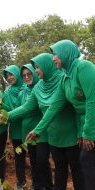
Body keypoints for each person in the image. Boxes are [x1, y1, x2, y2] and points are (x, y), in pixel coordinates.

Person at [27, 39, 93, 190]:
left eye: (55, 54)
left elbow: (92, 100)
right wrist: (38, 130)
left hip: (91, 125)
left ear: (65, 53)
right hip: (84, 126)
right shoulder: (65, 78)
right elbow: (54, 107)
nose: (53, 58)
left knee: (86, 165)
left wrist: (88, 132)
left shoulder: (84, 67)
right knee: (84, 165)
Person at [0, 65, 26, 190]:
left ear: (17, 74)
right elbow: (6, 110)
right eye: (7, 76)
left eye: (11, 74)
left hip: (28, 127)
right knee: (19, 158)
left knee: (37, 158)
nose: (9, 77)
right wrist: (0, 103)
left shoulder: (27, 88)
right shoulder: (8, 91)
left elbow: (27, 108)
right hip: (16, 129)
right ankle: (21, 182)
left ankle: (38, 183)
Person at [17, 64, 41, 190]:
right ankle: (36, 185)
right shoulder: (22, 92)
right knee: (32, 160)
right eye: (24, 75)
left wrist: (5, 116)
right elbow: (18, 109)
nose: (26, 77)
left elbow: (27, 108)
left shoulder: (40, 88)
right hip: (27, 133)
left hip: (40, 133)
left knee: (41, 162)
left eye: (29, 74)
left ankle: (42, 185)